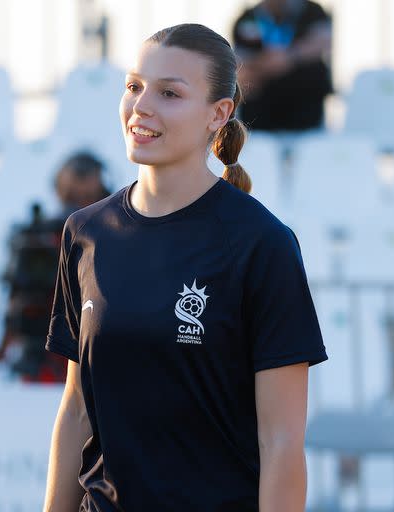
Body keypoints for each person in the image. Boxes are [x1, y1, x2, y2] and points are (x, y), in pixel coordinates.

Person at [43, 23, 327, 511]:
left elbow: (280, 443)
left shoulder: (263, 245)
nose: (142, 106)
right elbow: (75, 414)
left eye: (169, 93)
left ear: (219, 114)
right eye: (134, 86)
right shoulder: (85, 233)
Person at [0, 152, 109, 382]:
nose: (78, 203)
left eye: (87, 195)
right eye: (72, 195)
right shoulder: (37, 237)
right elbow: (16, 299)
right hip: (44, 359)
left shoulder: (117, 234)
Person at [233, 0, 332, 132]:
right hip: (260, 118)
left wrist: (291, 56)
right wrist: (267, 63)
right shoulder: (247, 18)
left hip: (306, 113)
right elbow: (240, 66)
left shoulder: (312, 11)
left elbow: (323, 42)